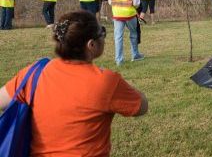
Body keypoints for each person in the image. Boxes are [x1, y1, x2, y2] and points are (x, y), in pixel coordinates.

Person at [0, 11, 148, 155]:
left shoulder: (34, 73)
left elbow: (2, 101)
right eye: (102, 33)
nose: (104, 37)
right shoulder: (105, 81)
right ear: (91, 45)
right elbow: (141, 106)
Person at [109, 0, 144, 65]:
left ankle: (119, 60)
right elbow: (137, 4)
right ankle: (135, 55)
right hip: (130, 15)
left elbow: (109, 1)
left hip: (117, 15)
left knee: (118, 37)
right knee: (133, 34)